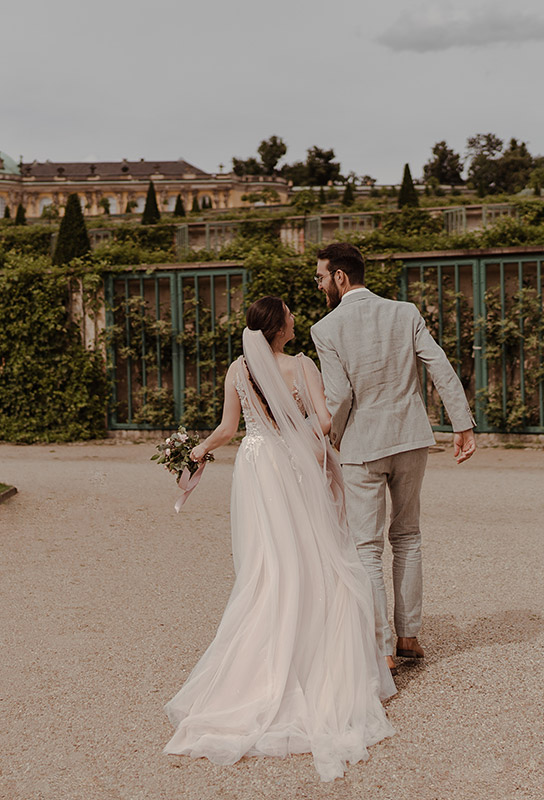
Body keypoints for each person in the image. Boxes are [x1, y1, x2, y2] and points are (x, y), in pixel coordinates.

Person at [164, 296, 396, 783]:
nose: (295, 317)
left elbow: (229, 428)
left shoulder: (237, 369)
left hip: (256, 468)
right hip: (290, 465)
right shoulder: (300, 365)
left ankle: (256, 665)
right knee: (312, 555)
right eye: (290, 314)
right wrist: (303, 431)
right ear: (280, 328)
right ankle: (311, 660)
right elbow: (327, 422)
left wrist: (194, 451)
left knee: (268, 564)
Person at [310, 242, 476, 674]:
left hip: (363, 447)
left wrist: (337, 436)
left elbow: (340, 395)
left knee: (366, 549)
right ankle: (409, 636)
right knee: (407, 537)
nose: (320, 285)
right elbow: (439, 365)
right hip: (410, 439)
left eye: (321, 277)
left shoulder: (326, 329)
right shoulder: (405, 312)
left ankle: (382, 648)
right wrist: (463, 424)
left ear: (340, 277)